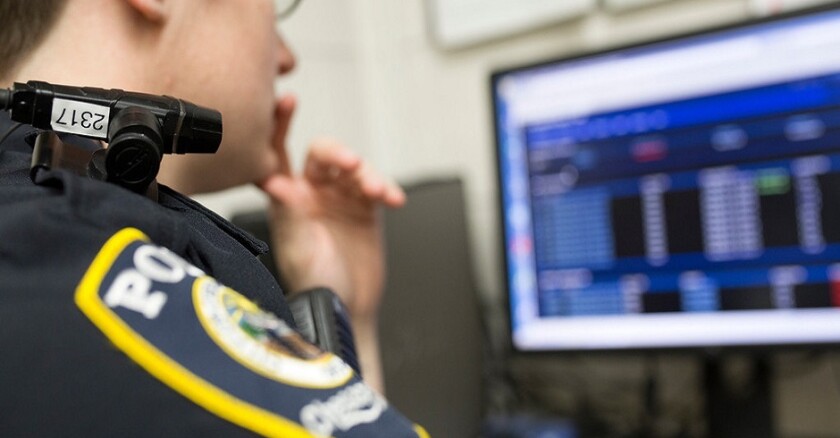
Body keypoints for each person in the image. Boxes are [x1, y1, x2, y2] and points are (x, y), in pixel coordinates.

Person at [0, 0, 423, 436]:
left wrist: (346, 316)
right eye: (273, 10)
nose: (287, 58)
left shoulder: (42, 227)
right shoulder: (73, 250)